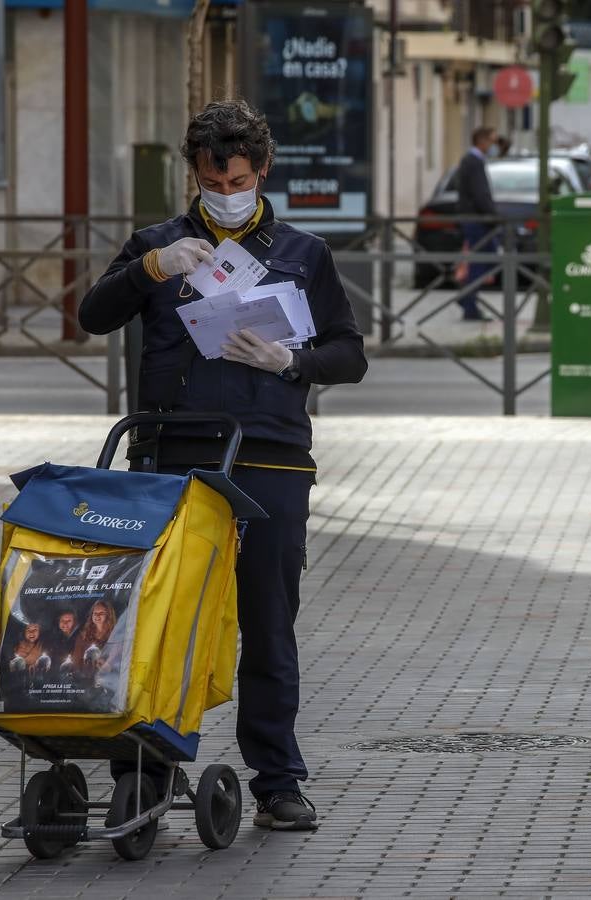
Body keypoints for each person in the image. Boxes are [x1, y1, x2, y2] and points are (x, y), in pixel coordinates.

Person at [79, 98, 367, 832]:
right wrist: (150, 267)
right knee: (164, 619)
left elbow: (351, 353)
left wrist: (291, 359)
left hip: (271, 459)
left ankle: (277, 779)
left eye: (241, 178)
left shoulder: (304, 253)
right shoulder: (159, 243)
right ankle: (144, 771)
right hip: (172, 454)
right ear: (194, 173)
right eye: (215, 178)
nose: (229, 191)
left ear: (263, 170)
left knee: (269, 622)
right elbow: (94, 315)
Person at [454, 126, 499, 321]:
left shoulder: (471, 160)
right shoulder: (473, 162)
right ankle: (469, 303)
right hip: (477, 220)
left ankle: (467, 298)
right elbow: (480, 194)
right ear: (481, 140)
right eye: (491, 140)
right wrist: (494, 215)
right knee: (481, 261)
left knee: (483, 259)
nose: (493, 145)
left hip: (473, 218)